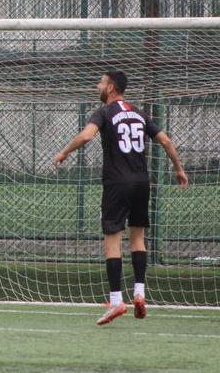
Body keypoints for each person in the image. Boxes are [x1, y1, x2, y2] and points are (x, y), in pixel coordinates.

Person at [54, 70, 188, 325]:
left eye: (101, 82)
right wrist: (179, 169)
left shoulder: (104, 112)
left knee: (112, 240)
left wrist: (64, 152)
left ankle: (116, 301)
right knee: (138, 238)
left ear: (111, 87)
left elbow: (86, 136)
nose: (98, 86)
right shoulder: (139, 113)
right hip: (141, 183)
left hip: (117, 183)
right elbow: (166, 141)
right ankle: (139, 293)